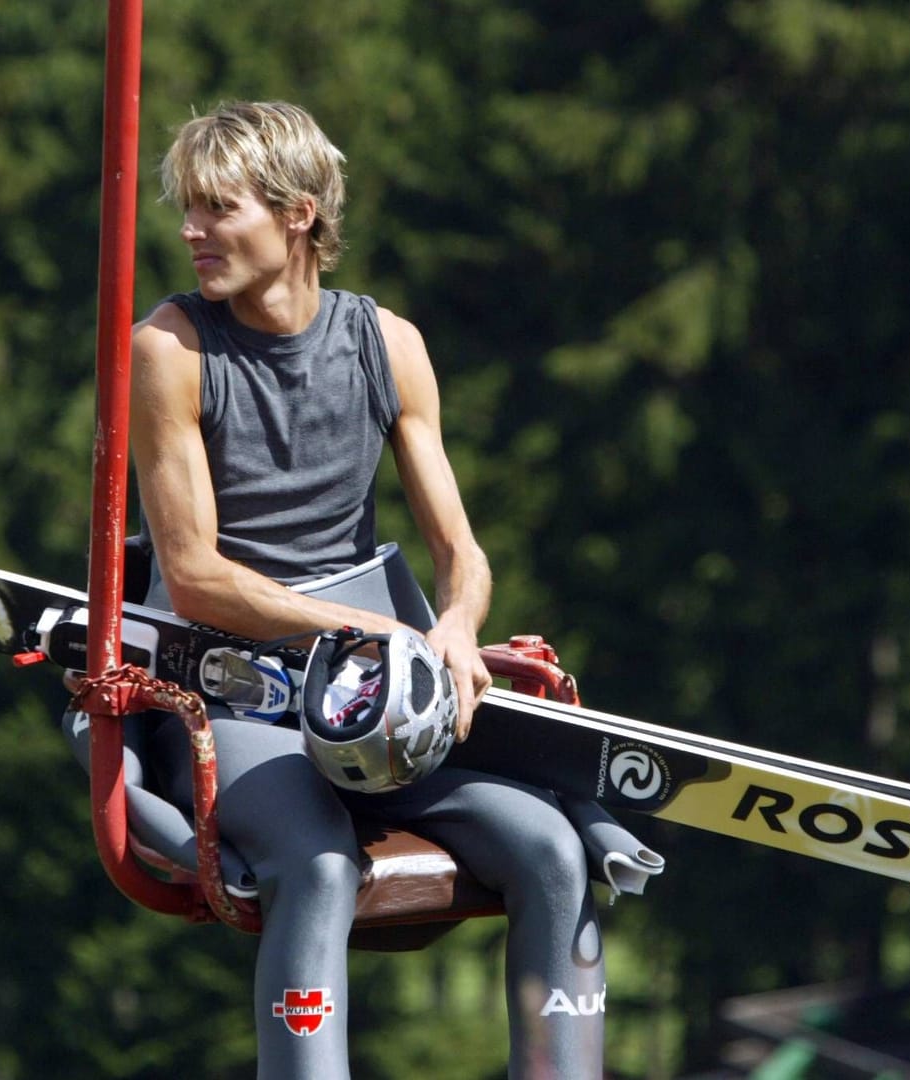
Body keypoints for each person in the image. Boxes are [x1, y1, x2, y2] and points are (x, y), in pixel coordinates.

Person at [124, 100, 630, 1080]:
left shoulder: (387, 343)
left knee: (553, 852)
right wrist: (367, 628)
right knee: (315, 870)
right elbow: (190, 578)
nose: (190, 231)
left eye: (217, 209)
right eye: (185, 209)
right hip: (233, 684)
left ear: (299, 214)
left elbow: (464, 554)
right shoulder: (173, 350)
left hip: (373, 686)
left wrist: (452, 628)